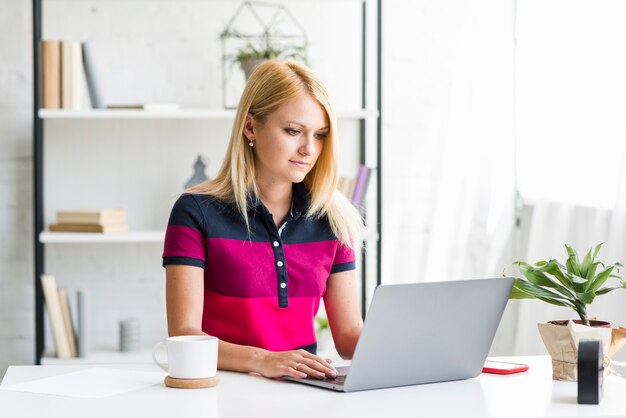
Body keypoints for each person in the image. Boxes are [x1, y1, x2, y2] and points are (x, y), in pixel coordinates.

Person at [162, 60, 364, 380]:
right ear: (251, 127)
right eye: (293, 131)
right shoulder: (195, 211)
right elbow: (185, 335)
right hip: (221, 387)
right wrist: (264, 360)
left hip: (303, 391)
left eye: (320, 135)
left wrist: (418, 346)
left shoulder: (334, 218)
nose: (309, 149)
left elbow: (350, 337)